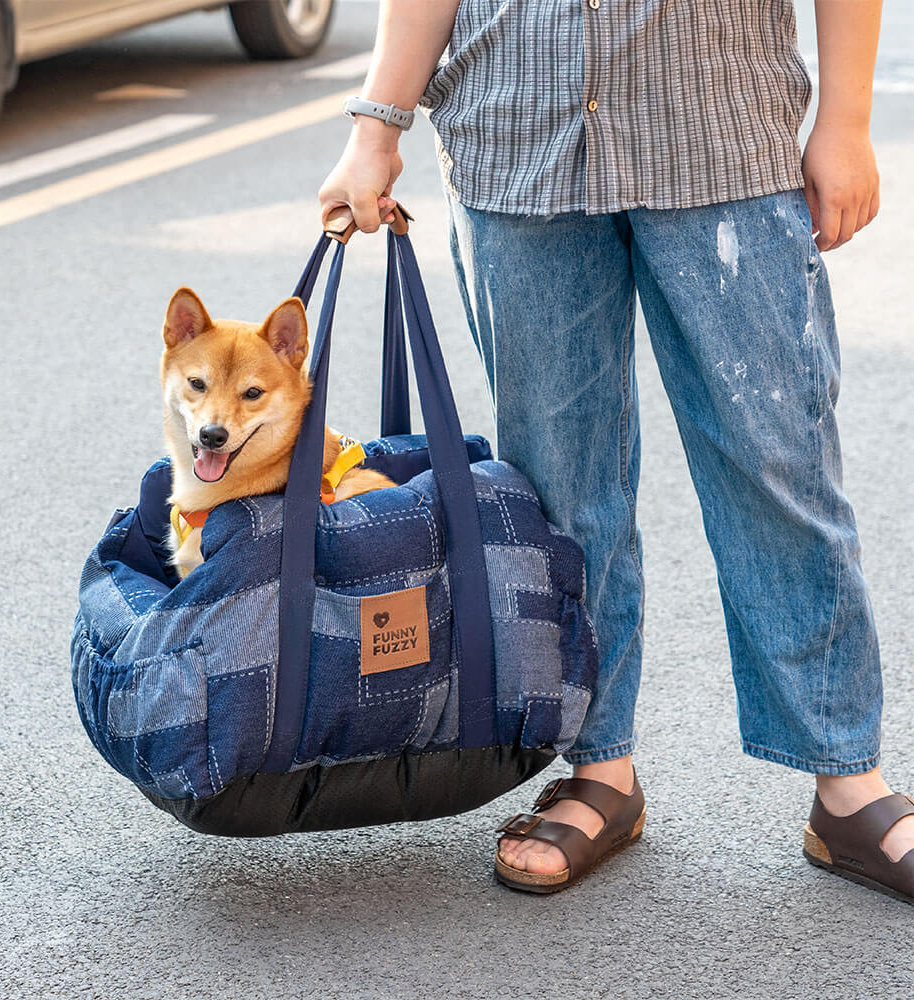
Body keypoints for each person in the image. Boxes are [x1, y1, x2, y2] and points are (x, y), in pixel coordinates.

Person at [319, 0, 912, 902]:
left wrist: (846, 120)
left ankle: (846, 782)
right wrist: (376, 123)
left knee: (777, 463)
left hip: (722, 133)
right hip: (518, 137)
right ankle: (601, 772)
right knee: (561, 488)